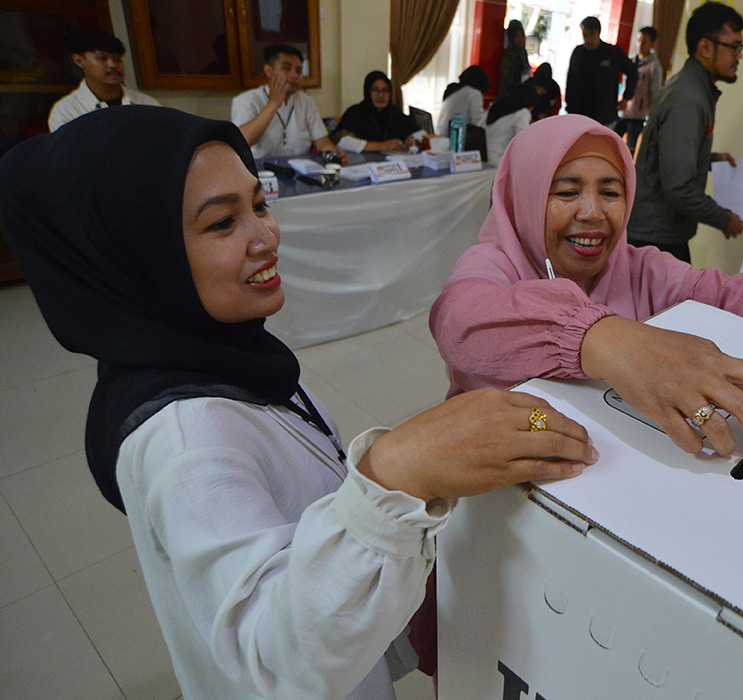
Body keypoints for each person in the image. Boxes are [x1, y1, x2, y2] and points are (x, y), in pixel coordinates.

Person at [0, 106, 596, 699]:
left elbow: (308, 527)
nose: (266, 236)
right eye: (220, 224)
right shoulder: (186, 446)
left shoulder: (236, 357)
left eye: (258, 205)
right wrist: (396, 472)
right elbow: (278, 662)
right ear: (136, 257)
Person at [430, 115, 743, 460]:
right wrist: (602, 338)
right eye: (566, 192)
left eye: (610, 192)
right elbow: (458, 321)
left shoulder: (641, 269)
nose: (592, 213)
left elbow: (724, 292)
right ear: (524, 198)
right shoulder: (493, 263)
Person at [626, 2, 743, 262]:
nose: (739, 56)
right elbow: (679, 188)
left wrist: (712, 159)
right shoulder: (689, 99)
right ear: (705, 47)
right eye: (734, 47)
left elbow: (669, 153)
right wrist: (725, 220)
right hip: (654, 240)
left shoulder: (693, 89)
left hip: (660, 234)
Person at [231, 44, 347, 163]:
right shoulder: (246, 100)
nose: (294, 75)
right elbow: (242, 142)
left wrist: (333, 152)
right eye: (286, 68)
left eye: (298, 70)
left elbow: (322, 141)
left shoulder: (306, 101)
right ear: (268, 70)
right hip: (261, 170)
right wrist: (273, 103)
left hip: (301, 169)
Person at [48, 31, 160, 132]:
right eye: (102, 58)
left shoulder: (147, 103)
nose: (113, 65)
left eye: (117, 59)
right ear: (79, 60)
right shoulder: (67, 111)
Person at [565, 16, 638, 128]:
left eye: (591, 35)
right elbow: (570, 80)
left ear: (598, 33)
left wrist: (626, 98)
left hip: (603, 114)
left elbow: (633, 72)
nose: (588, 39)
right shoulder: (578, 53)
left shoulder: (612, 53)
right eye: (585, 35)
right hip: (579, 112)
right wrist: (569, 105)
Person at [333, 71, 423, 153]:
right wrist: (380, 146)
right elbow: (340, 140)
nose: (380, 95)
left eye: (385, 90)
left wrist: (412, 140)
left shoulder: (395, 113)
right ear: (368, 92)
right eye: (375, 89)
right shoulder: (355, 113)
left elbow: (420, 133)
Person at [614, 26, 664, 151]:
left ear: (652, 44)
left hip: (638, 115)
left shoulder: (654, 67)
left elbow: (655, 92)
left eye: (644, 41)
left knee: (630, 147)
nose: (640, 45)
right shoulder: (630, 60)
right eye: (638, 40)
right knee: (612, 141)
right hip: (623, 110)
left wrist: (652, 115)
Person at [484, 82, 536, 164]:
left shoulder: (496, 106)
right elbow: (522, 141)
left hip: (483, 156)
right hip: (500, 158)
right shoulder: (523, 112)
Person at [437, 65, 489, 136]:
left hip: (441, 136)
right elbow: (478, 122)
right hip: (456, 140)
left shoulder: (453, 91)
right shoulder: (474, 93)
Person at [496, 20, 530, 100]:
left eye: (522, 36)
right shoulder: (510, 54)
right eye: (516, 36)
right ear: (511, 37)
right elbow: (505, 79)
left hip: (520, 94)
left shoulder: (522, 52)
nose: (520, 39)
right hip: (510, 95)